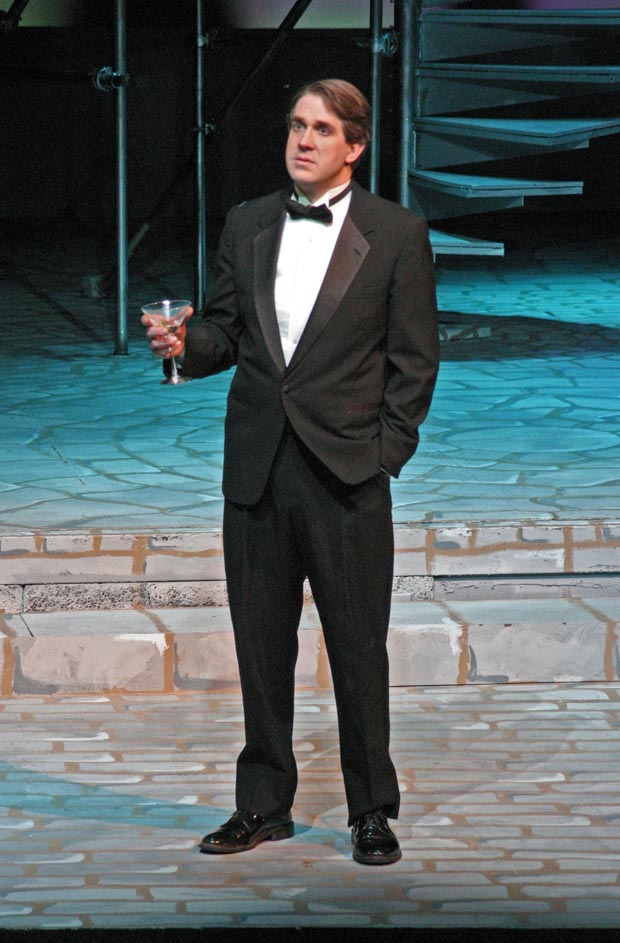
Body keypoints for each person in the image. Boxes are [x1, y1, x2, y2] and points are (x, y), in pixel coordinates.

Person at [143, 78, 439, 865]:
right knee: (260, 647)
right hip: (260, 468)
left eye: (320, 128)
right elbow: (227, 334)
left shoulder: (397, 233)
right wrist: (185, 344)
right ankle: (263, 804)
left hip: (345, 475)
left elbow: (414, 361)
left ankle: (371, 807)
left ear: (355, 145)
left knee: (356, 648)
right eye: (295, 125)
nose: (302, 139)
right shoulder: (247, 222)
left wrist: (385, 453)